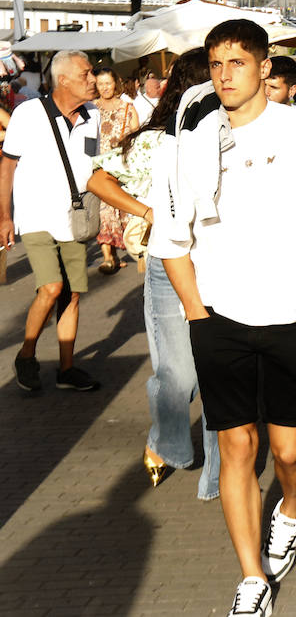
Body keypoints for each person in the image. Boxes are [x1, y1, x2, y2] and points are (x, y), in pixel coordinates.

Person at [152, 19, 296, 617]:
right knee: (235, 446)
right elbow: (171, 241)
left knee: (287, 452)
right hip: (218, 319)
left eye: (237, 63)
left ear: (263, 69)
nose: (224, 75)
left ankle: (291, 508)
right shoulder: (195, 142)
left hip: (287, 316)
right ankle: (251, 578)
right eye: (215, 64)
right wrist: (198, 315)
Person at [88, 48, 220, 498]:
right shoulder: (153, 140)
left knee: (218, 374)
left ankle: (219, 478)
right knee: (179, 374)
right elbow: (97, 178)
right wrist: (147, 211)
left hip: (223, 265)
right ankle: (166, 441)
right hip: (167, 265)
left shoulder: (233, 135)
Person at [1, 50, 102, 392]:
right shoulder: (28, 113)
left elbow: (92, 166)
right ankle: (27, 355)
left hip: (73, 217)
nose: (93, 80)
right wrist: (4, 216)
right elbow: (8, 165)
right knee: (51, 287)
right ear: (64, 80)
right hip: (35, 217)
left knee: (71, 294)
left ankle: (67, 368)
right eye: (86, 74)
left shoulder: (93, 116)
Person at [94, 66, 140, 275]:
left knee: (122, 210)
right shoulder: (91, 108)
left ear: (116, 84)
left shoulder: (127, 108)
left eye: (108, 83)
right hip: (98, 167)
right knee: (104, 211)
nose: (104, 88)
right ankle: (108, 257)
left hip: (121, 166)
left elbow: (136, 136)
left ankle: (136, 249)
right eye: (100, 83)